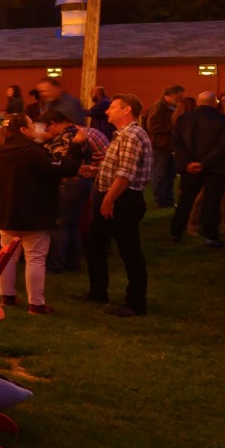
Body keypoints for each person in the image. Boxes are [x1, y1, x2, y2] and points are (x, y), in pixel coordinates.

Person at [0, 115, 80, 314]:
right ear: (23, 130)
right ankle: (36, 304)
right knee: (35, 258)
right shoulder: (34, 153)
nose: (35, 128)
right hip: (34, 214)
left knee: (8, 257)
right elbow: (63, 169)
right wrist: (76, 146)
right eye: (31, 125)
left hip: (7, 213)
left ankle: (7, 296)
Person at [83, 93, 152, 317]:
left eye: (112, 108)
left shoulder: (132, 135)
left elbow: (125, 174)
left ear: (127, 110)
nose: (106, 111)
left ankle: (135, 303)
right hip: (113, 197)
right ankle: (98, 291)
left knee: (129, 251)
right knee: (94, 244)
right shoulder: (121, 135)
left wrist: (109, 198)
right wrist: (96, 172)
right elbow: (118, 168)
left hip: (122, 200)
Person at [39, 110, 107, 273]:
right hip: (83, 183)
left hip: (68, 184)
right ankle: (73, 264)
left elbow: (55, 161)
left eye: (47, 128)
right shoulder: (80, 133)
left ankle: (56, 266)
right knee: (72, 225)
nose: (46, 132)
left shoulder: (65, 138)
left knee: (59, 225)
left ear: (54, 123)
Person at [169, 92, 225, 248]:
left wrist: (188, 162)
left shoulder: (183, 119)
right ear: (215, 103)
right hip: (216, 167)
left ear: (199, 102)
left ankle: (175, 232)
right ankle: (211, 236)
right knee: (212, 202)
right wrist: (204, 163)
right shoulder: (224, 120)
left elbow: (176, 143)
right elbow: (222, 146)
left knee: (186, 200)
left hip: (190, 167)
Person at [145, 85, 186, 209]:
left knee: (170, 174)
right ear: (172, 94)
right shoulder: (158, 107)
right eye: (180, 96)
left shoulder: (170, 107)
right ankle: (160, 200)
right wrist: (174, 126)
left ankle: (168, 200)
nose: (181, 99)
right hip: (160, 146)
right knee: (160, 174)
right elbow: (153, 126)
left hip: (168, 146)